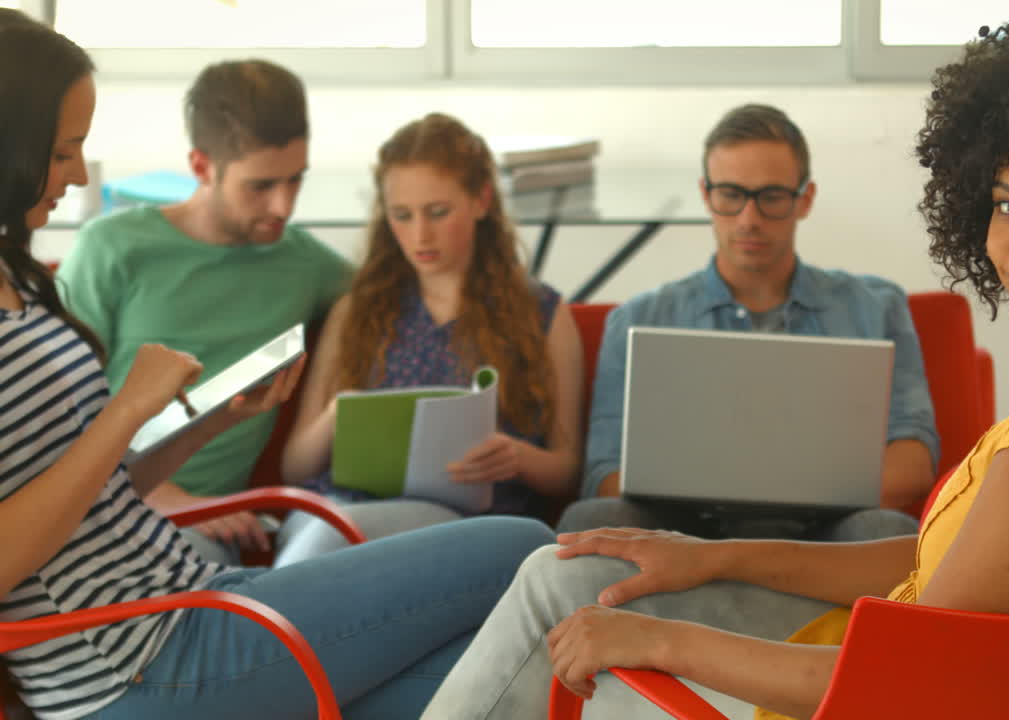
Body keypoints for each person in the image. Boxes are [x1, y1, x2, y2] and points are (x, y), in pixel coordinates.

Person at [418, 1, 1009, 717]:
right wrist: (714, 555)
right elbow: (939, 568)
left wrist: (660, 639)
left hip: (843, 694)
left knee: (556, 589)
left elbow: (909, 683)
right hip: (901, 655)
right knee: (585, 568)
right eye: (1008, 204)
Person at [0, 14, 553, 720]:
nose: (79, 174)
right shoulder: (105, 252)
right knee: (525, 546)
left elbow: (94, 494)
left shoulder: (17, 277)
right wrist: (126, 411)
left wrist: (209, 423)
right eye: (63, 150)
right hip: (137, 664)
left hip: (193, 606)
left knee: (528, 668)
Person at [557, 103, 939, 542]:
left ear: (805, 199)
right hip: (682, 533)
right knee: (588, 521)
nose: (749, 219)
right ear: (706, 195)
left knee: (889, 531)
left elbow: (913, 465)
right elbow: (604, 474)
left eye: (771, 197)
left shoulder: (874, 307)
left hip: (822, 536)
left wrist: (771, 488)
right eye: (731, 195)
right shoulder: (639, 319)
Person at [56, 59, 352, 565]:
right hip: (105, 511)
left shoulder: (304, 262)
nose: (283, 206)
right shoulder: (113, 248)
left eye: (295, 180)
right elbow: (54, 403)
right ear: (201, 167)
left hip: (210, 538)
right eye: (260, 186)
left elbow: (397, 293)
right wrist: (169, 497)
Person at [273, 112, 583, 566]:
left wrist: (517, 458)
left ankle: (266, 622)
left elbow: (568, 470)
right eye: (402, 216)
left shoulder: (543, 315)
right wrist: (338, 415)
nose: (420, 235)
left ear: (481, 201)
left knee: (327, 545)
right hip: (339, 511)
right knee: (326, 534)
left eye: (438, 212)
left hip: (462, 525)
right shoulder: (356, 312)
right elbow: (294, 469)